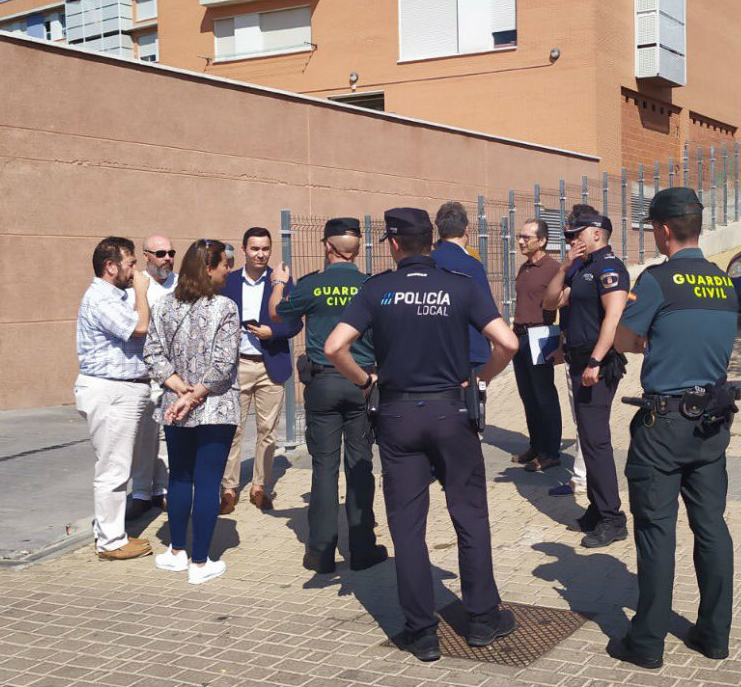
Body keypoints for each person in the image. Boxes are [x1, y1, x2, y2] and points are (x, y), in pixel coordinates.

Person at [324, 208, 520, 663]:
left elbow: (335, 347)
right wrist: (480, 378)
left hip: (396, 415)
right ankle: (483, 619)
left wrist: (364, 381)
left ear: (394, 244)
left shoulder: (377, 289)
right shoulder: (461, 285)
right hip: (452, 411)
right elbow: (507, 343)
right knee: (469, 515)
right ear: (430, 243)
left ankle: (421, 631)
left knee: (407, 527)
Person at [608, 188, 738, 669]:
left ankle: (646, 644)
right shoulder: (724, 283)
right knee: (711, 528)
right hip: (712, 423)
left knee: (656, 532)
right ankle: (714, 635)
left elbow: (624, 338)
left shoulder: (658, 279)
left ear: (663, 230)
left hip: (663, 425)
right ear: (696, 226)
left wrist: (646, 336)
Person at [268, 218, 387, 574]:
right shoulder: (371, 286)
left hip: (321, 384)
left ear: (327, 247)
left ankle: (320, 552)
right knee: (360, 465)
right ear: (357, 247)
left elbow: (277, 312)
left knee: (323, 468)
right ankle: (363, 548)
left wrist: (277, 284)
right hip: (361, 382)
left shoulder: (312, 285)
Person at [144, 239, 241, 584]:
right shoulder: (225, 308)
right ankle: (199, 562)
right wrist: (194, 393)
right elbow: (223, 364)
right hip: (214, 406)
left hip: (176, 407)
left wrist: (178, 389)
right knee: (208, 481)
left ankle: (176, 552)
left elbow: (153, 354)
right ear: (208, 268)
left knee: (180, 477)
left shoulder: (165, 306)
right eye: (224, 264)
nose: (228, 270)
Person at [541, 205, 630, 548]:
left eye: (576, 234)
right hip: (578, 362)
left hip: (598, 366)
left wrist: (595, 360)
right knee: (588, 439)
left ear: (596, 233)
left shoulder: (610, 267)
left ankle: (613, 518)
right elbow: (552, 303)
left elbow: (613, 317)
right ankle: (597, 508)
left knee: (596, 441)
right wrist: (564, 266)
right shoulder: (580, 269)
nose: (572, 240)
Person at [74, 236, 153, 561]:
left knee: (120, 465)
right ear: (111, 267)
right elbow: (140, 327)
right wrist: (142, 291)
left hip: (121, 390)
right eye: (130, 263)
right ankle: (110, 541)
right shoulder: (101, 298)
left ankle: (111, 531)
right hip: (110, 391)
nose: (135, 269)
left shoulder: (113, 296)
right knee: (113, 468)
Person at [220, 227, 302, 514]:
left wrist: (273, 331)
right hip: (237, 365)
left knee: (267, 431)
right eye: (254, 248)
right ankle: (229, 489)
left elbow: (295, 323)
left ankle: (260, 487)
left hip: (271, 364)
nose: (260, 254)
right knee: (233, 429)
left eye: (265, 248)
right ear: (244, 250)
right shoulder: (227, 282)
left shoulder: (282, 283)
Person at [125, 234, 179, 521]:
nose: (167, 258)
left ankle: (165, 490)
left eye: (171, 252)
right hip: (145, 373)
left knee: (169, 435)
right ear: (146, 256)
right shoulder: (137, 285)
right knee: (145, 438)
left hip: (173, 373)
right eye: (160, 253)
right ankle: (141, 493)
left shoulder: (180, 284)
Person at [508, 219, 563, 472]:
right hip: (519, 336)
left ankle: (550, 452)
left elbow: (560, 300)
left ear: (541, 241)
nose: (521, 241)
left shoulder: (553, 268)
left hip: (540, 335)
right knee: (527, 395)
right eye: (520, 236)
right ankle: (536, 445)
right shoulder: (525, 267)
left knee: (544, 395)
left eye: (526, 237)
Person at [430, 202, 494, 370]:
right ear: (466, 229)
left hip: (435, 351)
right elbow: (486, 311)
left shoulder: (428, 262)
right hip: (469, 351)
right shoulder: (471, 265)